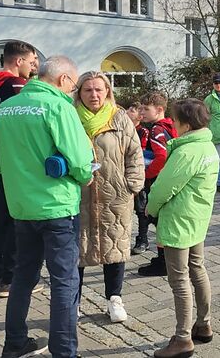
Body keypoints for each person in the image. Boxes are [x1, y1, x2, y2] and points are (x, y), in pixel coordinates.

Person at [0, 56, 93, 358]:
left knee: (23, 276)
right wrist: (85, 175)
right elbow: (80, 161)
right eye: (74, 85)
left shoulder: (3, 110)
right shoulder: (59, 107)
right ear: (63, 80)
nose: (73, 91)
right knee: (64, 282)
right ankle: (64, 351)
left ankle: (14, 343)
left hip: (22, 208)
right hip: (58, 208)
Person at [147, 99, 218, 358]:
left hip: (179, 220)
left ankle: (182, 338)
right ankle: (204, 323)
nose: (173, 125)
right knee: (197, 268)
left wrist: (150, 208)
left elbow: (164, 187)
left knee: (179, 280)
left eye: (175, 121)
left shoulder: (186, 152)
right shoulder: (207, 145)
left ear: (186, 125)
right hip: (197, 217)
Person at [74, 72, 143, 323]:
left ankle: (114, 298)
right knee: (77, 250)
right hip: (78, 195)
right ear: (79, 92)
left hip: (115, 194)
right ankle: (73, 301)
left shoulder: (119, 117)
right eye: (88, 90)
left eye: (99, 90)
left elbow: (134, 153)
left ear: (107, 92)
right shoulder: (70, 117)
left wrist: (132, 184)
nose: (94, 95)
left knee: (115, 245)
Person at [0, 41, 39, 297]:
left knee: (0, 217)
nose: (33, 67)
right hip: (20, 160)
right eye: (32, 61)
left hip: (0, 158)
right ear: (18, 61)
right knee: (16, 217)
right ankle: (9, 280)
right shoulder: (17, 86)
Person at [135, 92, 178, 277]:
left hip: (158, 180)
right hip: (169, 178)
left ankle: (163, 262)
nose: (142, 112)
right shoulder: (170, 125)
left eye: (146, 109)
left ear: (159, 109)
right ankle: (166, 259)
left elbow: (161, 156)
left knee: (158, 221)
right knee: (163, 221)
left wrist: (146, 175)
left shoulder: (156, 130)